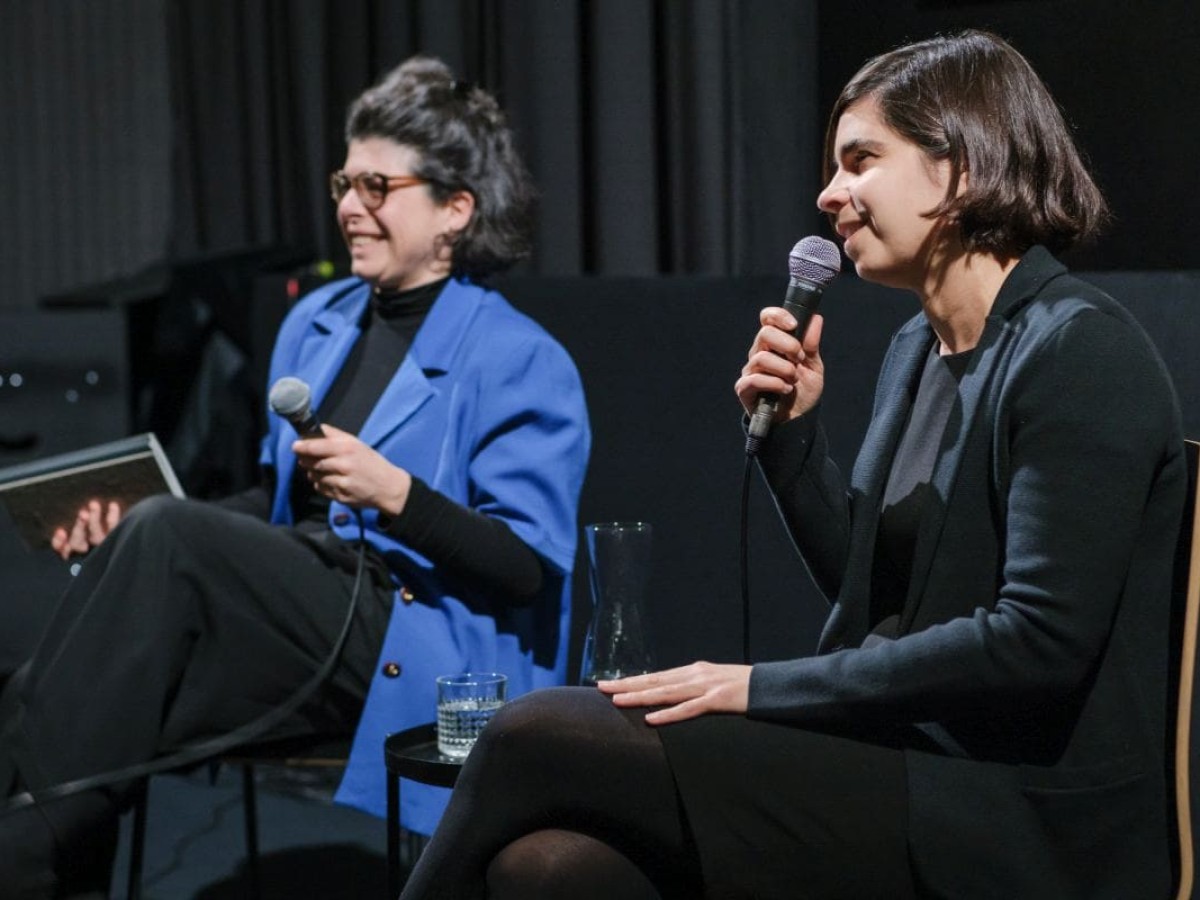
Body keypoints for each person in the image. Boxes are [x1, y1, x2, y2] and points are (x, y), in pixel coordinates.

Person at [396, 29, 1186, 900]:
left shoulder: (1078, 352)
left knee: (531, 730)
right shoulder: (916, 352)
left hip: (1021, 815)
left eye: (860, 160)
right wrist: (789, 441)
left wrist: (758, 688)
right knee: (545, 871)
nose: (829, 193)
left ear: (959, 168)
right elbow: (868, 590)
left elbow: (1036, 645)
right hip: (904, 761)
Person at [0, 55, 590, 897]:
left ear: (456, 210)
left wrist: (397, 494)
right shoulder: (315, 322)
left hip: (414, 632)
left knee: (146, 587)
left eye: (378, 187)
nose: (350, 207)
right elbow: (275, 506)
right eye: (344, 183)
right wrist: (133, 526)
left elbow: (527, 565)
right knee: (65, 666)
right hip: (299, 614)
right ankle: (56, 867)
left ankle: (26, 864)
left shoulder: (521, 358)